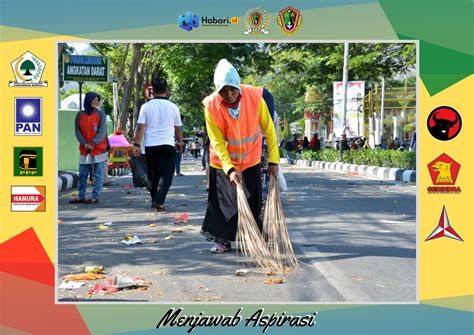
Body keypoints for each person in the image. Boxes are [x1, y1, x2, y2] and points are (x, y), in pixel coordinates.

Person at [201, 59, 279, 253]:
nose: (229, 95)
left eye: (233, 90)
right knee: (224, 203)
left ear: (239, 86)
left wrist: (273, 161)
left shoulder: (255, 97)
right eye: (224, 92)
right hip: (222, 162)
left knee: (251, 200)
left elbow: (269, 131)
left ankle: (250, 237)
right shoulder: (211, 106)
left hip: (251, 159)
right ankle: (223, 240)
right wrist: (230, 169)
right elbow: (217, 142)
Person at [131, 78, 182, 212]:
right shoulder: (173, 107)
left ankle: (155, 200)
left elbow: (140, 127)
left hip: (151, 146)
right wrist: (179, 142)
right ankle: (158, 201)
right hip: (168, 145)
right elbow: (178, 129)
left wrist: (136, 145)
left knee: (154, 175)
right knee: (166, 175)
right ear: (167, 90)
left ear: (152, 90)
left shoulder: (146, 107)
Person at [69, 92, 108, 204]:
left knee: (98, 174)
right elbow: (78, 131)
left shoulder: (100, 115)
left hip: (99, 149)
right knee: (82, 173)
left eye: (97, 100)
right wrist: (85, 143)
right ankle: (81, 196)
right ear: (88, 100)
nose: (96, 102)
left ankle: (95, 196)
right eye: (93, 100)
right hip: (85, 149)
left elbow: (102, 131)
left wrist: (93, 143)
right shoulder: (80, 115)